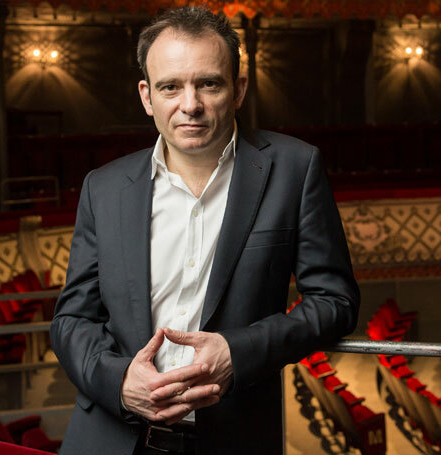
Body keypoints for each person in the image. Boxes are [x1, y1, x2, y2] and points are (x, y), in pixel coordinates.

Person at [51, 6, 359, 455]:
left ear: (238, 90)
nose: (189, 104)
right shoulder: (105, 187)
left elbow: (335, 302)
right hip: (110, 439)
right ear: (146, 96)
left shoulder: (296, 169)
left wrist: (240, 352)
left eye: (208, 83)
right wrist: (120, 383)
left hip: (234, 438)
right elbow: (71, 320)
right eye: (170, 87)